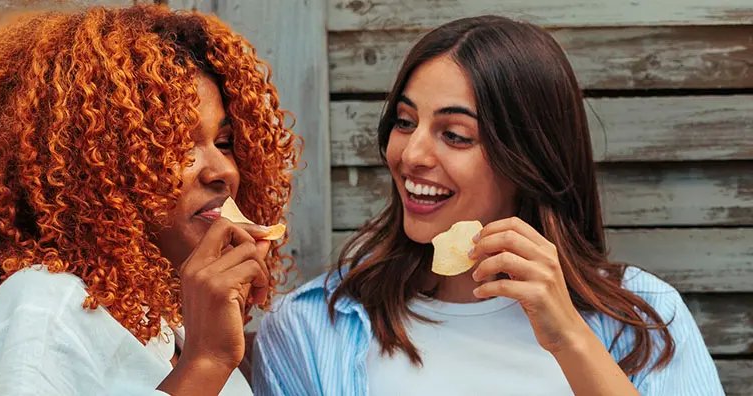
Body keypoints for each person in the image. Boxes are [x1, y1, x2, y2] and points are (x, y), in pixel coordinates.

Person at [252, 15, 723, 395]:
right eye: (404, 121)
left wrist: (570, 339)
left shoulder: (647, 319)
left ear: (529, 157)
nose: (411, 155)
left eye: (455, 135)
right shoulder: (309, 329)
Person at [0, 5, 299, 395]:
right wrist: (207, 362)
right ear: (91, 163)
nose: (222, 171)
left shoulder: (169, 322)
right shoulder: (41, 314)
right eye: (176, 143)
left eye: (224, 142)